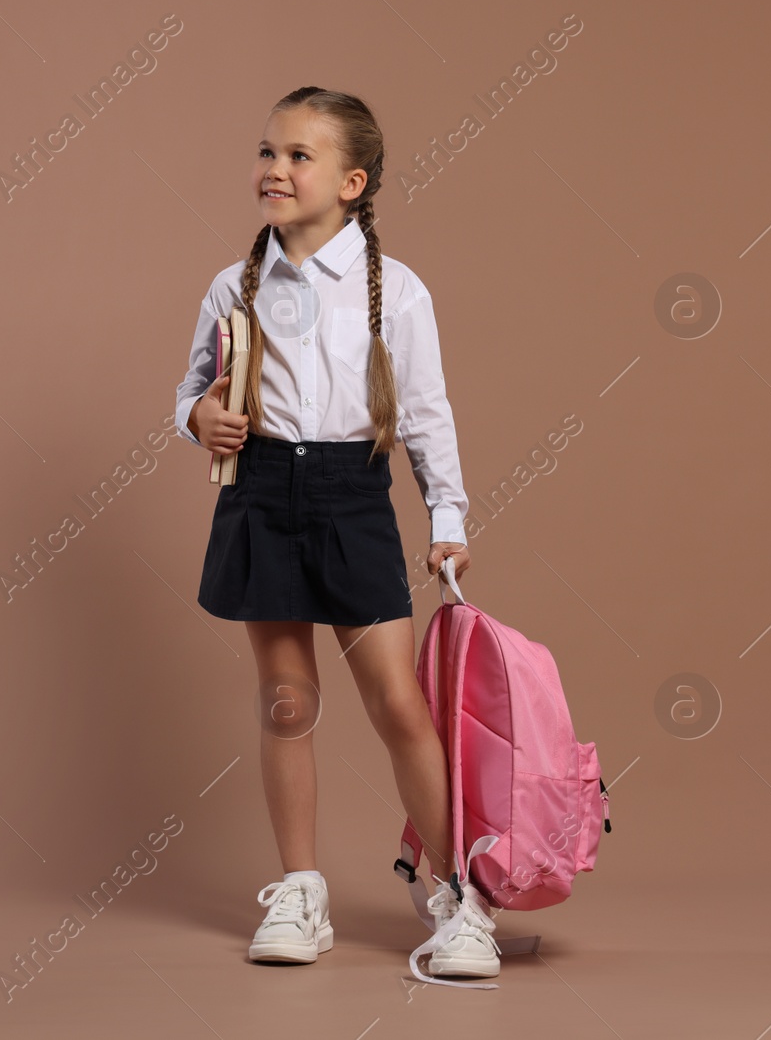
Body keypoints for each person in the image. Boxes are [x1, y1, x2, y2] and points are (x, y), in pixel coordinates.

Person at [173, 87, 500, 979]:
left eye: (299, 156)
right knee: (287, 702)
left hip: (354, 495)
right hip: (262, 492)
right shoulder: (231, 284)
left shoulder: (395, 289)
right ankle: (301, 891)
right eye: (267, 151)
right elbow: (190, 391)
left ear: (352, 182)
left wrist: (447, 517)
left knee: (398, 704)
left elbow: (426, 413)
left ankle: (460, 900)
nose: (275, 169)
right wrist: (200, 417)